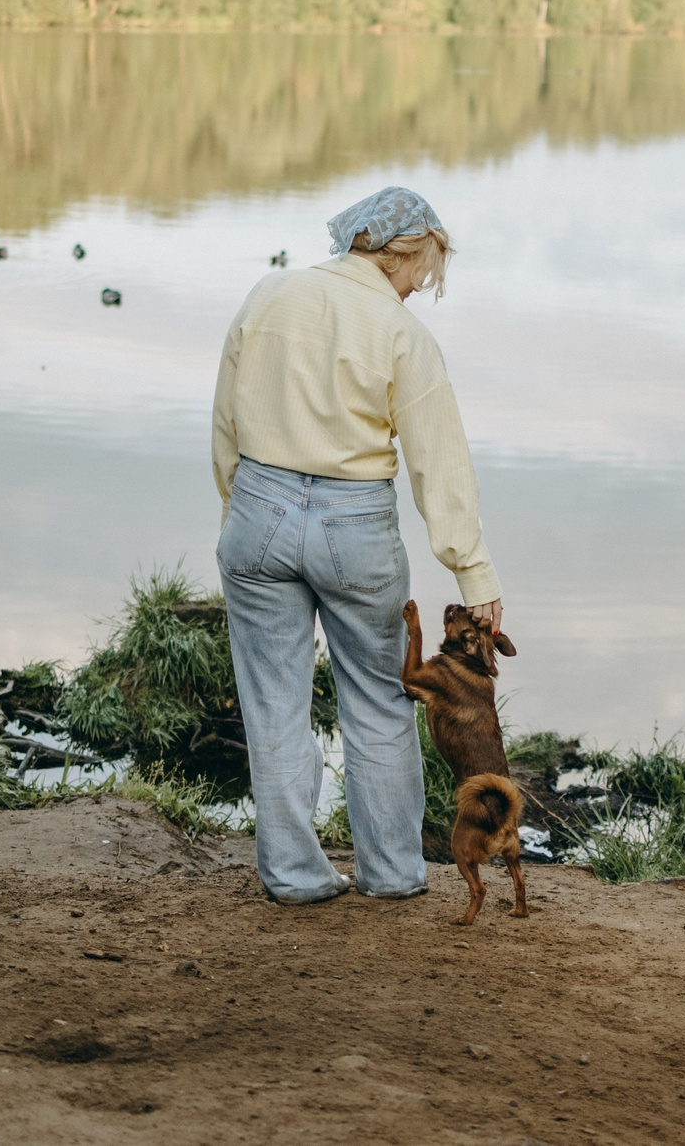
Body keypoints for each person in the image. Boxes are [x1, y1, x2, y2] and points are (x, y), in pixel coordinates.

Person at [211, 186, 505, 905]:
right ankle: (392, 873)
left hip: (258, 508)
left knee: (273, 703)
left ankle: (293, 875)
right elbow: (440, 461)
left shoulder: (268, 294)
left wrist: (238, 511)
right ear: (401, 252)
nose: (415, 289)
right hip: (354, 523)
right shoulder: (401, 334)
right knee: (377, 700)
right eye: (419, 274)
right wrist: (473, 573)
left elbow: (226, 418)